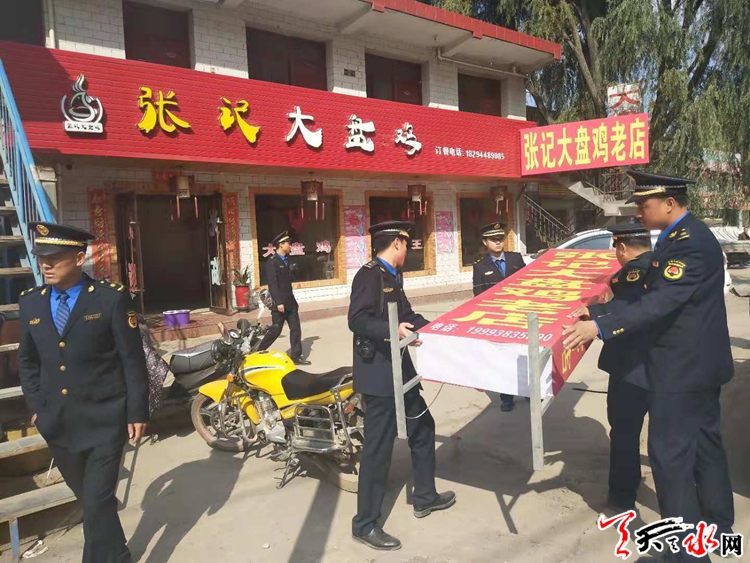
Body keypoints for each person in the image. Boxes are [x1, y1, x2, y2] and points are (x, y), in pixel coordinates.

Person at [563, 172, 734, 562]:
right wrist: (599, 313)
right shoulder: (680, 238)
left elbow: (659, 303)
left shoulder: (688, 244)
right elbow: (648, 296)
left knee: (671, 460)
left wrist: (599, 327)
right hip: (699, 366)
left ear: (669, 204)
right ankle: (717, 524)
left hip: (680, 370)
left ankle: (685, 554)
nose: (639, 213)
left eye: (644, 205)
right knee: (706, 445)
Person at [17, 222, 149, 563]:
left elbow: (132, 360)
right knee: (93, 503)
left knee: (96, 501)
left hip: (105, 419)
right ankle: (118, 554)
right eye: (41, 257)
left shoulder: (110, 298)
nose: (45, 265)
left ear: (78, 258)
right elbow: (28, 362)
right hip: (58, 422)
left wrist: (137, 410)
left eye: (54, 258)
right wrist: (37, 407)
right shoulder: (31, 303)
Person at [349, 220, 455, 551]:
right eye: (407, 243)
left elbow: (407, 313)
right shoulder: (368, 276)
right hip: (378, 375)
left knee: (423, 428)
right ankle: (365, 524)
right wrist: (391, 329)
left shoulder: (393, 276)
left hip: (401, 371)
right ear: (397, 243)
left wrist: (440, 328)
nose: (408, 250)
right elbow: (356, 319)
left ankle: (424, 497)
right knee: (378, 449)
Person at [581, 224, 652, 512]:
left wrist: (595, 323)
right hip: (665, 366)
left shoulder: (633, 272)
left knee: (624, 433)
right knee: (668, 439)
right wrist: (594, 311)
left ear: (621, 247)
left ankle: (622, 498)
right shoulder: (663, 266)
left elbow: (626, 309)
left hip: (631, 368)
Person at [472, 222, 526, 411]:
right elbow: (478, 297)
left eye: (500, 238)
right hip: (499, 319)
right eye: (493, 239)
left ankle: (529, 391)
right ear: (485, 242)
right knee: (503, 358)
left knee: (524, 355)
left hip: (520, 315)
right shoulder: (480, 266)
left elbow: (527, 283)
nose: (498, 242)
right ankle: (506, 397)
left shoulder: (515, 258)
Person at [258, 230, 309, 365]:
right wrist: (279, 302)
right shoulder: (272, 262)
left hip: (290, 302)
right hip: (279, 304)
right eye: (287, 243)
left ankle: (296, 356)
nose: (289, 245)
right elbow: (273, 284)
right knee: (276, 330)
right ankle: (256, 351)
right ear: (280, 245)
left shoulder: (287, 260)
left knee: (296, 329)